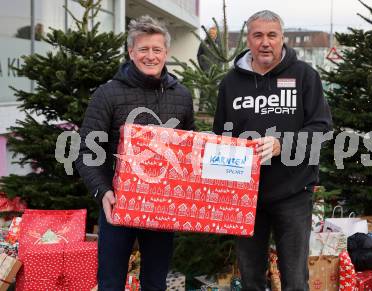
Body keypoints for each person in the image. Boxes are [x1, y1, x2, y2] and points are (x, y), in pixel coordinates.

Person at [213, 10, 332, 291]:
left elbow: (323, 129)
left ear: (282, 39)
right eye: (258, 35)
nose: (265, 42)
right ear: (249, 40)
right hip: (245, 195)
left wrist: (282, 144)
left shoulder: (304, 76)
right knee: (251, 278)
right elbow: (220, 137)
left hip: (293, 193)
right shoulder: (231, 83)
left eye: (271, 35)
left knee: (294, 279)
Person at [75, 15, 195, 290]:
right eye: (143, 49)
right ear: (131, 52)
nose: (150, 56)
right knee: (110, 284)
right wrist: (102, 191)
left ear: (166, 52)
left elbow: (189, 150)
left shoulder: (182, 96)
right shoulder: (107, 95)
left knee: (155, 283)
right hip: (117, 206)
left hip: (162, 208)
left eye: (156, 49)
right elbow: (86, 152)